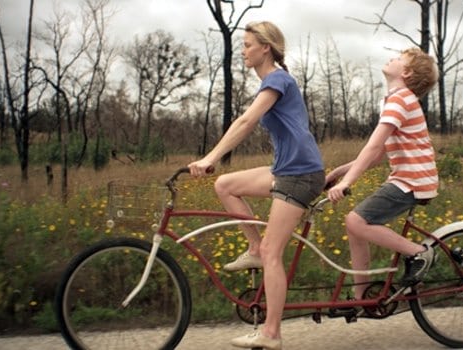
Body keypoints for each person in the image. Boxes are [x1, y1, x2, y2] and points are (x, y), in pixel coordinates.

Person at [188, 21, 324, 350]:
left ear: (266, 47)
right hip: (285, 169)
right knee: (226, 185)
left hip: (301, 174)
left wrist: (211, 157)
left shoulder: (277, 78)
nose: (244, 50)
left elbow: (246, 121)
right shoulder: (272, 80)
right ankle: (254, 250)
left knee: (273, 252)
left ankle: (271, 333)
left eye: (248, 44)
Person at [325, 47, 439, 301]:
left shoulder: (400, 99)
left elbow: (374, 146)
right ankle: (361, 295)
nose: (392, 58)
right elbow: (378, 155)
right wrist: (338, 172)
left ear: (406, 72)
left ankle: (419, 253)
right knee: (355, 226)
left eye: (399, 59)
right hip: (409, 178)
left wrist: (346, 182)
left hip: (412, 180)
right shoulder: (396, 99)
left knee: (356, 221)